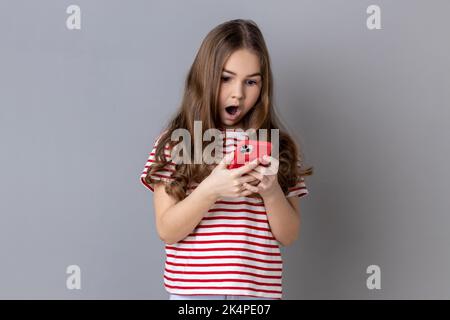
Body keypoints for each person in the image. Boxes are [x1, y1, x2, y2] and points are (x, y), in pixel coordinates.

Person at [139, 19, 313, 300]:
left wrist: (270, 192)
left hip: (256, 298)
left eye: (251, 82)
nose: (238, 93)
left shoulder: (277, 146)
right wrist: (211, 190)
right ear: (204, 77)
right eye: (225, 78)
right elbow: (167, 230)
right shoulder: (179, 141)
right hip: (195, 297)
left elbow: (289, 235)